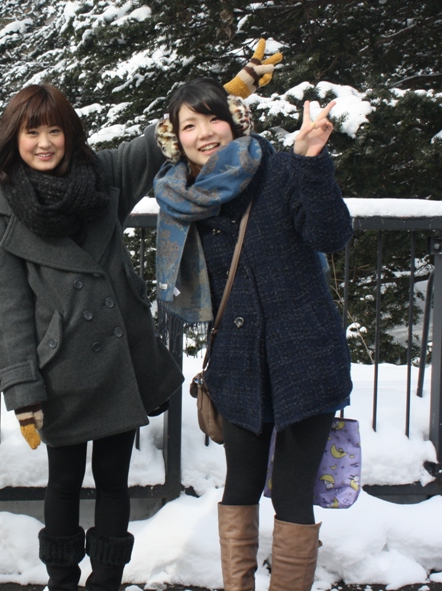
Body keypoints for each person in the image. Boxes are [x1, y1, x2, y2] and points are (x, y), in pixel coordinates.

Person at [0, 41, 277, 590]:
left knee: (115, 478)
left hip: (120, 359)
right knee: (64, 480)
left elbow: (158, 139)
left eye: (54, 131)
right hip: (57, 369)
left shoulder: (103, 177)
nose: (44, 143)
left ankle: (107, 581)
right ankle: (63, 580)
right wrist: (22, 387)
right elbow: (5, 308)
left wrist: (227, 92)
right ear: (13, 139)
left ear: (69, 135)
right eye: (31, 132)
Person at [153, 78, 352, 591]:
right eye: (188, 125)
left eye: (212, 118)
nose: (203, 133)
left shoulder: (279, 168)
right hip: (237, 362)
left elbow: (330, 235)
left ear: (234, 120)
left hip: (305, 351)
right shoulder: (181, 197)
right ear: (176, 138)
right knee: (238, 485)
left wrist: (311, 161)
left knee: (292, 490)